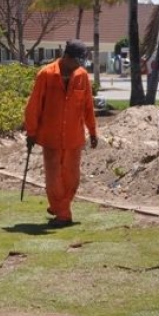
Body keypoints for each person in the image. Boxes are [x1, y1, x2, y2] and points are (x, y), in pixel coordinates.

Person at [23, 39, 98, 227]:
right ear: (67, 57)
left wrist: (93, 131)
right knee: (53, 176)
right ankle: (63, 215)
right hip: (50, 137)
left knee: (72, 177)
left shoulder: (82, 76)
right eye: (77, 61)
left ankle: (58, 206)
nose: (79, 65)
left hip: (74, 137)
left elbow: (88, 107)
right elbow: (33, 106)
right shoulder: (45, 75)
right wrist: (31, 132)